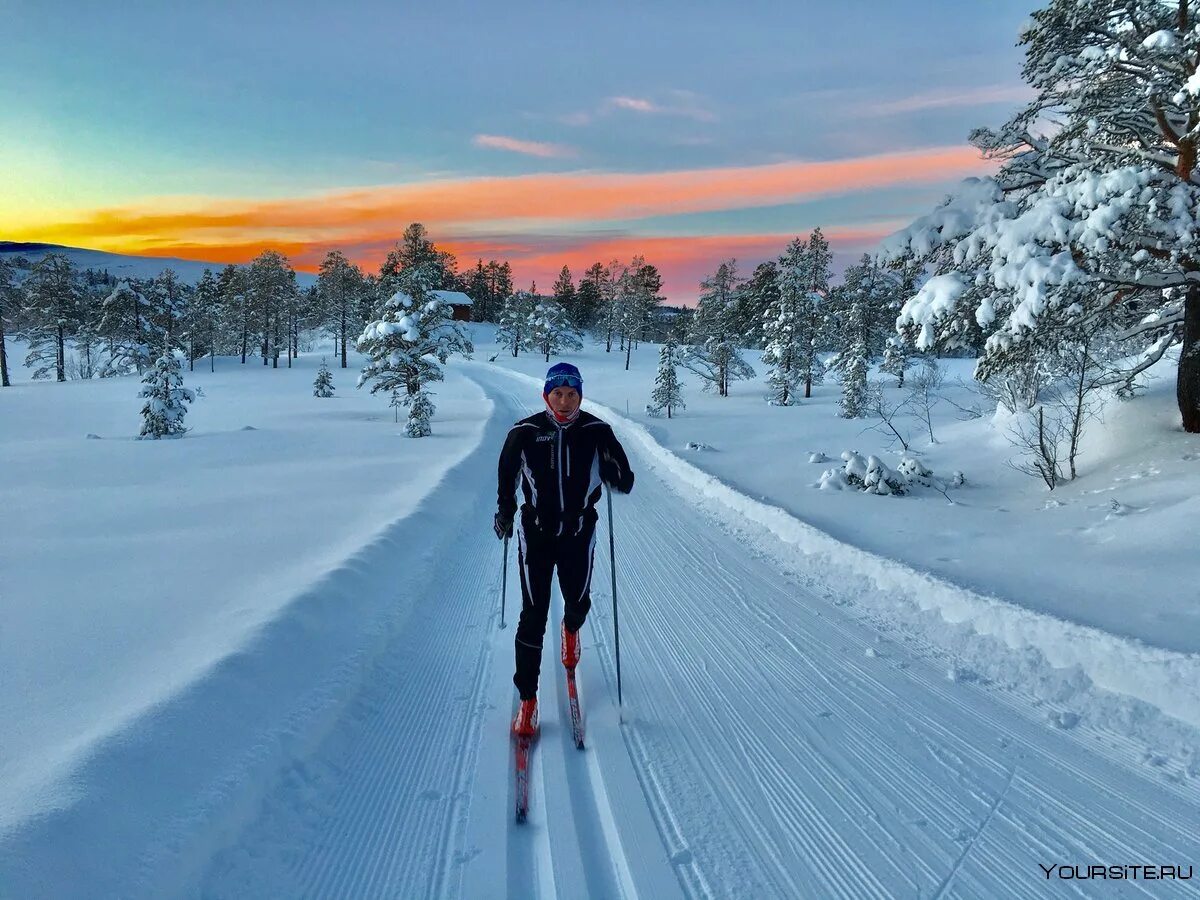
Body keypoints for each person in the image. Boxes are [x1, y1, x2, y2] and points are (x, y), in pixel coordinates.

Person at [494, 362, 635, 736]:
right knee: (533, 614)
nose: (565, 400)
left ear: (580, 395)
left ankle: (571, 628)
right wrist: (505, 512)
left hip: (578, 531)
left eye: (572, 393)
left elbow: (626, 480)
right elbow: (506, 474)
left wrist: (612, 468)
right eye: (558, 392)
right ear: (546, 394)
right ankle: (527, 701)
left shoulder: (596, 430)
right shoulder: (524, 432)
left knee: (578, 600)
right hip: (535, 533)